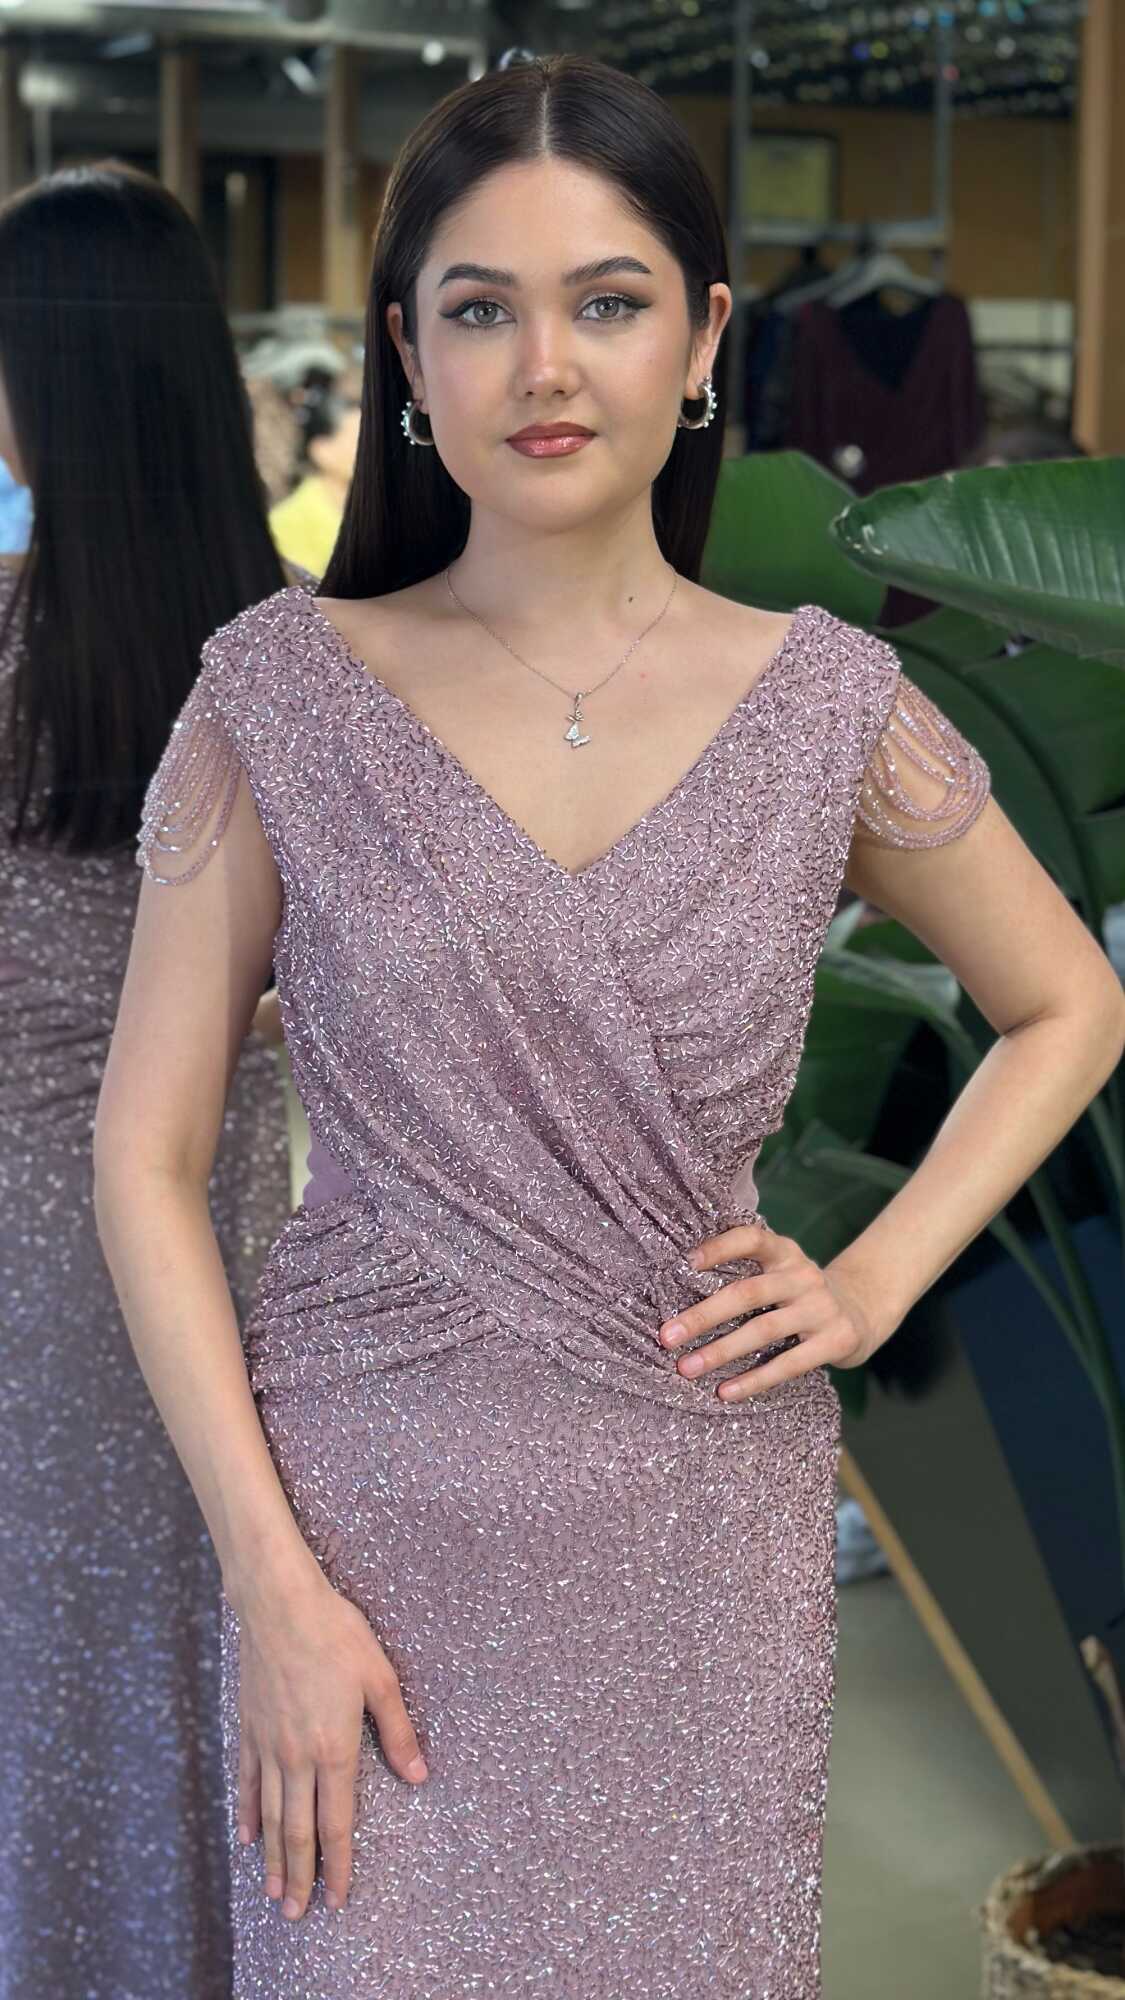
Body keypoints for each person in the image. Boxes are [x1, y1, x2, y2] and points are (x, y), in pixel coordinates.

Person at [95, 54, 1125, 1996]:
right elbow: (145, 1156)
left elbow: (1067, 1000)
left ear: (705, 339)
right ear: (408, 354)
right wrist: (266, 1574)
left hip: (696, 1534)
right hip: (358, 1545)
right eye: (482, 308)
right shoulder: (275, 701)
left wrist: (875, 1276)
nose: (546, 364)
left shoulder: (826, 709)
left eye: (608, 300)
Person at [0, 162, 295, 1999]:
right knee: (217, 1661)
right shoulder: (311, 656)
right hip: (235, 1259)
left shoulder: (5, 646)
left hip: (26, 1274)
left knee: (47, 1684)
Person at [268, 374, 362, 578]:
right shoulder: (289, 524)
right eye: (358, 442)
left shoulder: (382, 501)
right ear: (321, 451)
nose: (371, 451)